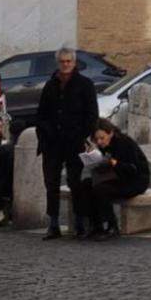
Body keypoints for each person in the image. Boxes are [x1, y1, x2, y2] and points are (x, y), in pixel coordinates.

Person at [36, 45, 98, 241]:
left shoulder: (85, 84)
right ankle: (53, 223)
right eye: (62, 62)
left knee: (75, 182)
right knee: (51, 183)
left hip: (74, 142)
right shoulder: (50, 85)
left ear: (74, 62)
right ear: (58, 63)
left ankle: (79, 222)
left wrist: (84, 135)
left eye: (68, 61)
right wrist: (45, 133)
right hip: (52, 142)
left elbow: (91, 114)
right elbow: (41, 114)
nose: (65, 65)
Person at [76, 119, 150, 240]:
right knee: (85, 185)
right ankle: (94, 225)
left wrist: (113, 162)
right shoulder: (104, 146)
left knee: (102, 189)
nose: (99, 142)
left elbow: (132, 169)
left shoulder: (124, 143)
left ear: (110, 133)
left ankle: (110, 225)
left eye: (102, 138)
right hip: (115, 177)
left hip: (135, 180)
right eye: (96, 139)